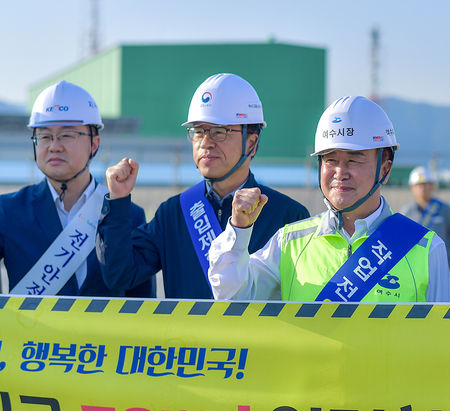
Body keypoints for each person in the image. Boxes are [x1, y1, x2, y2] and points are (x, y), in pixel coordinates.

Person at [208, 95, 450, 302]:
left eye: (354, 159)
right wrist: (239, 230)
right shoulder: (289, 242)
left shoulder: (425, 248)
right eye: (330, 160)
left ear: (385, 169)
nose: (339, 173)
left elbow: (439, 344)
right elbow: (232, 297)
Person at [97, 73, 309, 299]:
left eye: (219, 131)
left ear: (252, 142)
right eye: (198, 131)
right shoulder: (173, 212)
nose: (206, 142)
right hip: (186, 337)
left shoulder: (287, 216)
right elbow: (119, 276)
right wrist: (118, 201)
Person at [0, 80, 153, 297]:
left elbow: (142, 305)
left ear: (94, 144)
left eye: (66, 135)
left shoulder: (128, 215)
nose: (54, 146)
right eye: (45, 136)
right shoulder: (8, 211)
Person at [398, 166, 450, 263]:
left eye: (426, 184)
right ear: (412, 188)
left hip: (439, 261)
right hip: (414, 263)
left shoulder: (444, 209)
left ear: (433, 186)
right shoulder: (406, 212)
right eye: (419, 185)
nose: (423, 188)